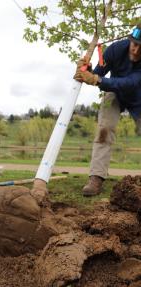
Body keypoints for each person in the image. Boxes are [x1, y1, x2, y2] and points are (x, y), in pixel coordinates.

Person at [74, 23, 141, 196]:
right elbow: (99, 72)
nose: (136, 51)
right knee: (104, 128)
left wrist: (96, 80)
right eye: (135, 45)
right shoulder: (114, 49)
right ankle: (96, 177)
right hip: (114, 92)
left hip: (138, 96)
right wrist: (87, 71)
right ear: (130, 40)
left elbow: (130, 83)